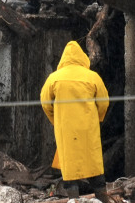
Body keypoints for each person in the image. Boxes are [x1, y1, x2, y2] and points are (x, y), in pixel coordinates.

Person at [40, 41, 109, 202]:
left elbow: (45, 103)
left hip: (66, 130)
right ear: (82, 58)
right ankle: (103, 198)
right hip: (88, 129)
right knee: (93, 163)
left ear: (63, 59)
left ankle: (74, 199)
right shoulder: (92, 77)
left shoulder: (54, 78)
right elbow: (104, 102)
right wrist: (96, 119)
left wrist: (56, 120)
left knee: (69, 166)